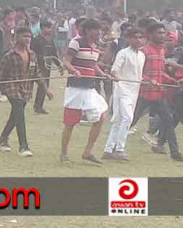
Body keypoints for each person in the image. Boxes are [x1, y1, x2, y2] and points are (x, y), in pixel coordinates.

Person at [130, 23, 183, 162]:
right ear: (150, 35)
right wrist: (148, 80)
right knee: (131, 120)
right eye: (159, 33)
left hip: (157, 94)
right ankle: (113, 147)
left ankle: (175, 153)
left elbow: (160, 74)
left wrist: (175, 81)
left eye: (163, 33)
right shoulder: (144, 51)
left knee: (168, 121)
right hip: (144, 93)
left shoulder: (161, 51)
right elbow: (137, 73)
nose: (162, 35)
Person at [0, 27, 52, 156]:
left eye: (29, 36)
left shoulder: (32, 55)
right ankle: (23, 146)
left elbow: (37, 74)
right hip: (12, 88)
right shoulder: (9, 56)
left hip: (26, 89)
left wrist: (46, 90)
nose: (27, 39)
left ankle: (3, 138)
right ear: (17, 37)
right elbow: (0, 76)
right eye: (24, 36)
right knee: (19, 113)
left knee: (15, 116)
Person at [60, 19, 109, 164]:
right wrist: (74, 70)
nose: (98, 32)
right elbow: (66, 61)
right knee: (70, 123)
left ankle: (88, 152)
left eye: (99, 29)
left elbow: (93, 65)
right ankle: (63, 153)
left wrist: (103, 74)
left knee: (100, 118)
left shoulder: (97, 46)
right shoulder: (76, 42)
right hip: (75, 89)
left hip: (90, 88)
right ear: (87, 30)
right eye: (95, 29)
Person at [102, 29, 146, 161]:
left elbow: (137, 74)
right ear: (129, 39)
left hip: (134, 91)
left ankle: (108, 150)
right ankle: (120, 149)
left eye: (141, 37)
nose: (138, 40)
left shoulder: (142, 55)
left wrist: (147, 81)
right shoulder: (123, 53)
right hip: (122, 89)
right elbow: (115, 69)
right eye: (135, 37)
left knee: (118, 121)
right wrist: (115, 76)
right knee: (127, 118)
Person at [30, 20, 62, 114]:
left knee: (44, 86)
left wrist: (59, 65)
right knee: (31, 84)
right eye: (48, 28)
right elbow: (31, 53)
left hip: (46, 67)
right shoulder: (36, 40)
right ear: (42, 28)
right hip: (36, 66)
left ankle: (38, 106)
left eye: (50, 28)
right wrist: (39, 58)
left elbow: (54, 54)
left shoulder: (50, 41)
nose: (50, 30)